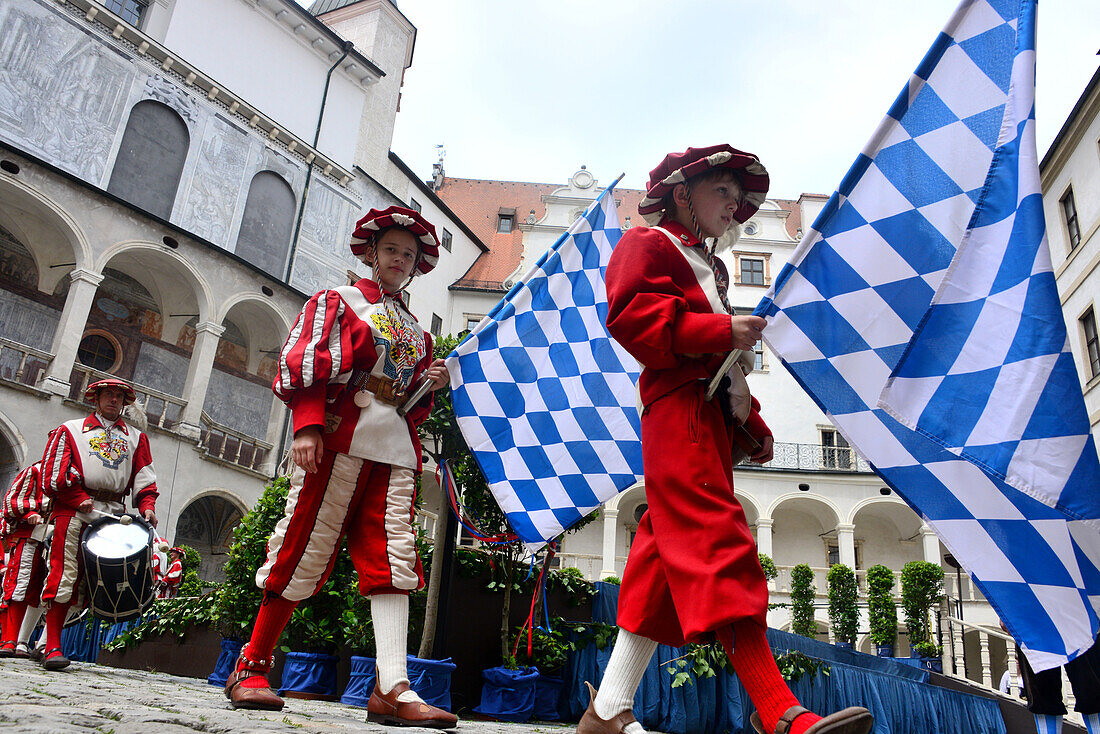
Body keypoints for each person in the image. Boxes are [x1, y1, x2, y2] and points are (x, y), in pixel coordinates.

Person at [589, 145, 874, 734]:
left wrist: (752, 426)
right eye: (724, 191)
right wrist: (724, 328)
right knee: (720, 542)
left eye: (740, 198)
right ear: (683, 193)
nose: (737, 205)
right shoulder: (647, 244)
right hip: (678, 414)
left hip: (707, 418)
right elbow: (633, 320)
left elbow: (726, 367)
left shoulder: (709, 266)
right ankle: (777, 711)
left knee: (660, 559)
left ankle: (608, 709)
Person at [223, 205, 457, 728]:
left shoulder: (416, 330)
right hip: (338, 441)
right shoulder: (339, 301)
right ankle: (252, 666)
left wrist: (431, 384)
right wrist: (306, 426)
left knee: (393, 559)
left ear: (417, 265)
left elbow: (409, 404)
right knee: (302, 544)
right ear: (372, 253)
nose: (400, 260)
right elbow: (305, 360)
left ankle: (392, 687)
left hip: (394, 453)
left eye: (410, 254)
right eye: (392, 250)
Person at [38, 377, 159, 670]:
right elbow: (52, 474)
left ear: (125, 403)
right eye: (108, 395)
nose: (113, 400)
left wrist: (147, 506)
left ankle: (46, 640)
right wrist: (77, 496)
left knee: (88, 583)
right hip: (74, 510)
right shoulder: (70, 430)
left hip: (114, 515)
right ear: (96, 398)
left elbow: (144, 476)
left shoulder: (135, 438)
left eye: (119, 396)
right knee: (64, 573)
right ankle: (51, 646)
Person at [0, 460, 49, 658]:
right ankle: (10, 639)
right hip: (29, 538)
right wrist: (32, 511)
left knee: (47, 590)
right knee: (20, 585)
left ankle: (33, 643)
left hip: (58, 537)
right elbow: (12, 502)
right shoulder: (36, 472)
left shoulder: (75, 476)